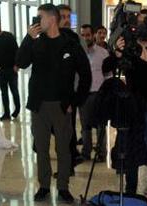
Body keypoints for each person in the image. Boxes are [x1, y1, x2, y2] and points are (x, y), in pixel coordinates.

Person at [17, 3, 90, 203]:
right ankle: (44, 186)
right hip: (39, 105)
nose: (37, 21)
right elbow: (21, 63)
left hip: (62, 105)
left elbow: (85, 75)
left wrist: (74, 102)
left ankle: (63, 186)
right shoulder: (35, 42)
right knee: (41, 147)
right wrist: (28, 38)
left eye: (39, 17)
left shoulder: (71, 44)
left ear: (51, 19)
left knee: (63, 148)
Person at [104, 9, 147, 205]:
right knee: (131, 149)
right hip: (133, 107)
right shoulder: (128, 48)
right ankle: (130, 190)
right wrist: (117, 51)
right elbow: (107, 68)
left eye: (143, 23)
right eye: (136, 22)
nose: (139, 26)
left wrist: (146, 58)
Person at [57, 4, 90, 167]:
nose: (66, 20)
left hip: (69, 95)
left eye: (68, 17)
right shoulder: (46, 39)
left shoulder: (74, 39)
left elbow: (83, 70)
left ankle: (69, 165)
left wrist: (77, 98)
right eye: (62, 17)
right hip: (49, 97)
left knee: (67, 131)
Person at [78, 24, 109, 161]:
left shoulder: (103, 53)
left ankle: (101, 153)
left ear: (93, 35)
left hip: (99, 94)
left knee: (101, 126)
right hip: (84, 94)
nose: (85, 38)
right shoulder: (78, 53)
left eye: (88, 35)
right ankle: (86, 152)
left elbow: (108, 75)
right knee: (85, 126)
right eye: (83, 35)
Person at [0, 18, 20, 120]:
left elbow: (17, 51)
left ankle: (17, 110)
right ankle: (6, 113)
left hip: (12, 69)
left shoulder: (9, 36)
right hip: (1, 71)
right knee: (4, 93)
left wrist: (17, 65)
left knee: (14, 91)